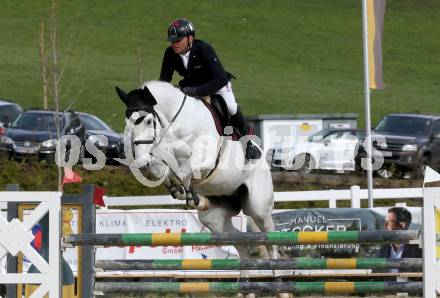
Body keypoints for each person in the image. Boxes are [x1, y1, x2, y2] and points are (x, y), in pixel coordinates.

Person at [159, 18, 260, 160]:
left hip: (216, 84)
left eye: (178, 40)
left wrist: (196, 92)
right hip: (192, 87)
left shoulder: (204, 49)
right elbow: (164, 80)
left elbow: (220, 78)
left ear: (190, 38)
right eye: (172, 41)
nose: (174, 44)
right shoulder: (170, 53)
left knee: (231, 107)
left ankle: (248, 144)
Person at [375, 207, 422, 273]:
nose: (385, 226)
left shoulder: (418, 252)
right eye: (385, 222)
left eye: (389, 222)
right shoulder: (382, 249)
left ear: (402, 225)